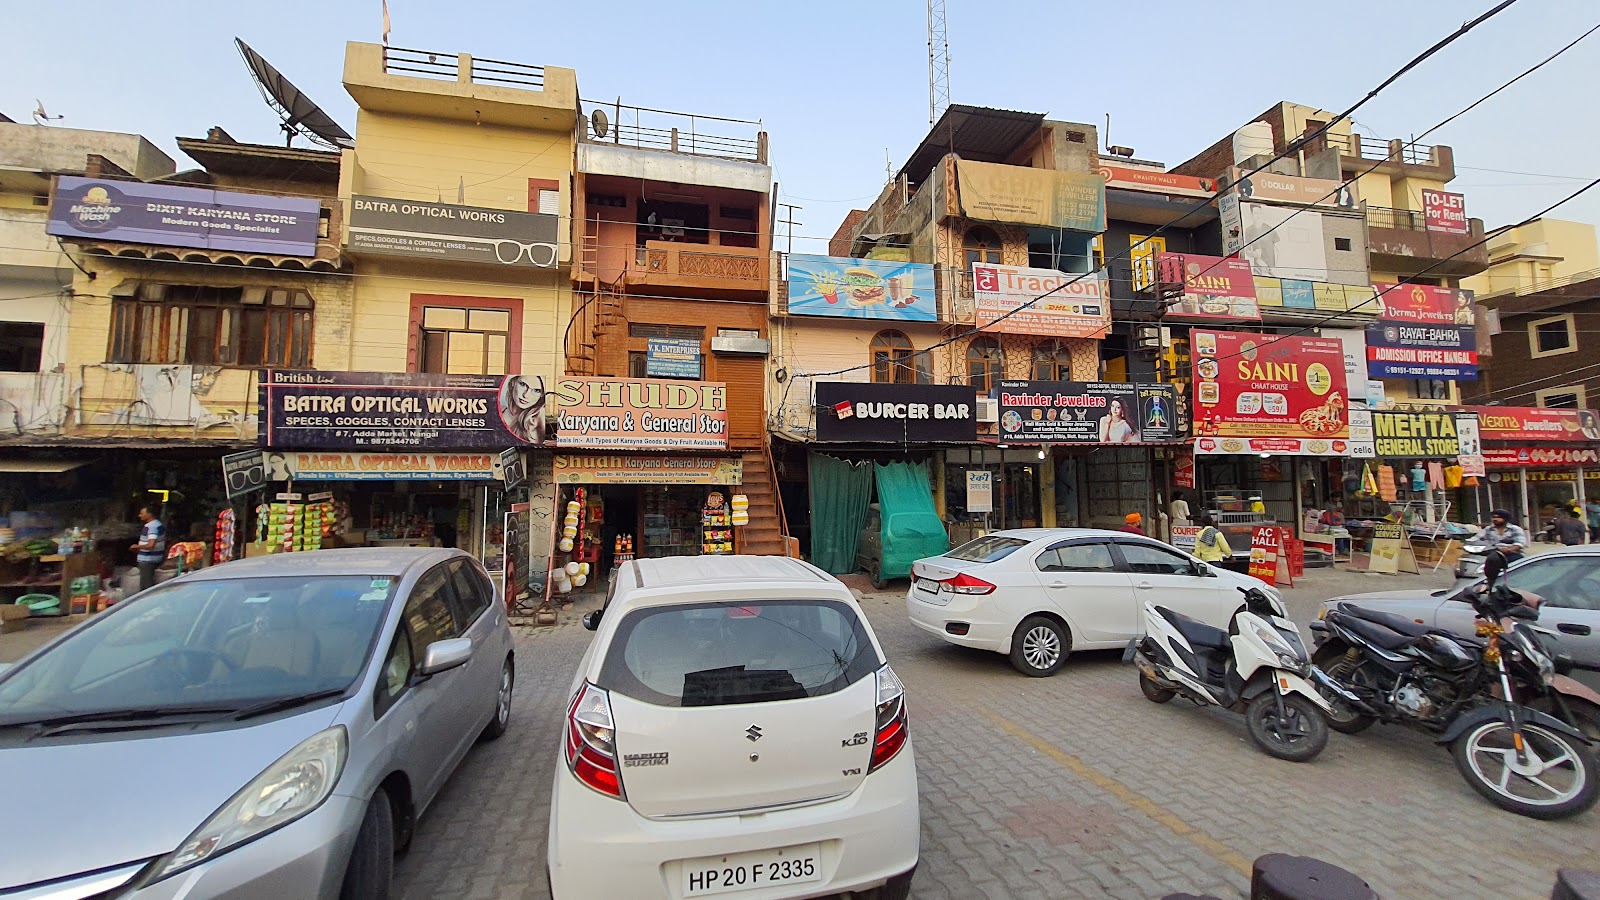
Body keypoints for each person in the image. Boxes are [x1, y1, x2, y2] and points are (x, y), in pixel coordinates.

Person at [130, 506, 166, 592]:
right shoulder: (158, 524)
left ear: (150, 514)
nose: (139, 515)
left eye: (142, 513)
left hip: (148, 560)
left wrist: (137, 547)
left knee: (146, 586)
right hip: (154, 558)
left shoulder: (152, 527)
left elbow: (151, 544)